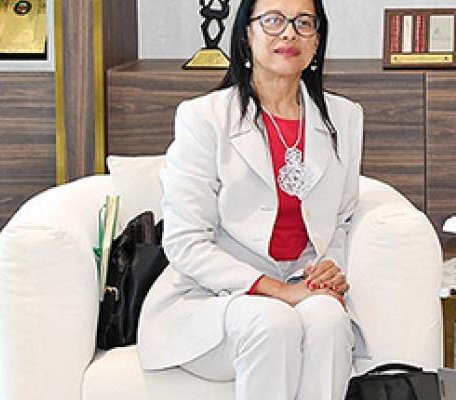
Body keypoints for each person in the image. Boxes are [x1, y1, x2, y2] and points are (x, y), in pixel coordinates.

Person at [137, 0, 365, 398]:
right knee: (273, 322)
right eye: (273, 20)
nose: (289, 32)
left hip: (300, 281)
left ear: (317, 40)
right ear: (246, 34)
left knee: (329, 319)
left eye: (304, 22)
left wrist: (329, 268)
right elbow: (185, 242)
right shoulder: (204, 117)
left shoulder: (344, 118)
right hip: (209, 298)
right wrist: (277, 291)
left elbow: (341, 219)